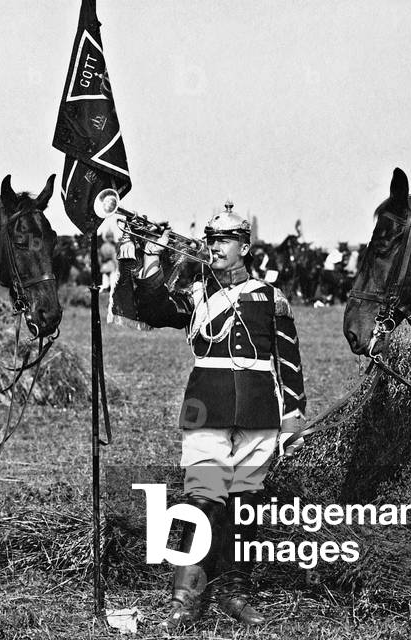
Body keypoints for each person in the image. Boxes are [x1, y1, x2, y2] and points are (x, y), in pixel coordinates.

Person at [126, 204, 307, 628]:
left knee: (246, 503)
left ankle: (234, 591)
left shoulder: (269, 296)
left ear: (244, 246)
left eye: (225, 240)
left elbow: (290, 360)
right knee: (201, 500)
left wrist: (292, 415)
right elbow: (151, 310)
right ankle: (184, 598)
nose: (216, 247)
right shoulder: (196, 294)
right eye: (211, 240)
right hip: (207, 404)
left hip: (260, 409)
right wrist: (148, 258)